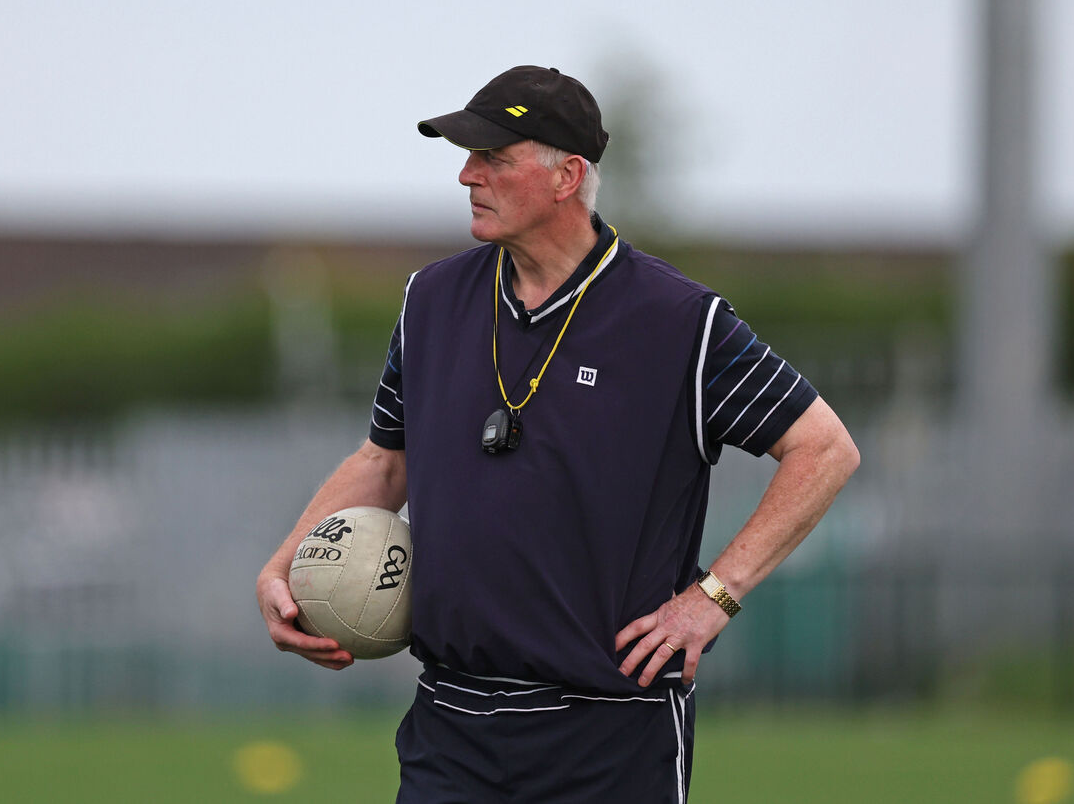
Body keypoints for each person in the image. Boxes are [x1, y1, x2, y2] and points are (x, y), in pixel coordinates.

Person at [257, 65, 860, 803]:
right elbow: (385, 461)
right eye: (467, 155)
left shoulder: (678, 322)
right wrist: (284, 568)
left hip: (610, 733)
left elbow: (825, 447)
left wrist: (714, 596)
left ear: (566, 177)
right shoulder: (431, 300)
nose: (465, 175)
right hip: (453, 728)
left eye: (493, 159)